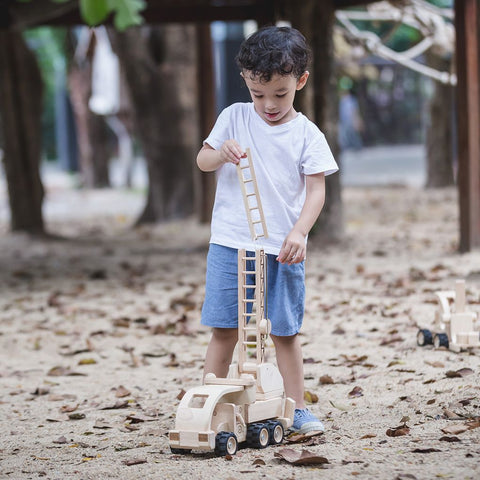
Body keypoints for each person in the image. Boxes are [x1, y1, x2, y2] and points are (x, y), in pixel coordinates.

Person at [197, 26, 338, 434]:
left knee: (284, 330)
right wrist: (220, 152)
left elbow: (316, 191)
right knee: (224, 328)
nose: (268, 104)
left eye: (280, 94)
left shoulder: (308, 134)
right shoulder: (234, 117)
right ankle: (212, 406)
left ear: (301, 81)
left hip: (282, 247)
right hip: (230, 242)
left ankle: (295, 407)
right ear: (246, 80)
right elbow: (203, 160)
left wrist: (299, 232)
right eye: (259, 94)